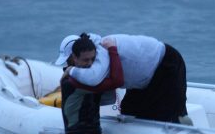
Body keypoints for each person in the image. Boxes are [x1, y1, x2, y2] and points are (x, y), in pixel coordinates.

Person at [59, 33, 155, 134]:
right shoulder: (71, 81)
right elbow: (117, 81)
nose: (90, 63)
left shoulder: (92, 77)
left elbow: (110, 79)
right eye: (85, 60)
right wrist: (112, 50)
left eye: (93, 59)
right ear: (73, 58)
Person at [56, 33, 193, 125]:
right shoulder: (92, 56)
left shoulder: (99, 53)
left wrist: (71, 71)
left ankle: (183, 124)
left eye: (70, 61)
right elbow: (109, 97)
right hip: (143, 78)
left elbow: (95, 79)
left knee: (165, 116)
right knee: (129, 110)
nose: (69, 65)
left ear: (76, 55)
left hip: (165, 64)